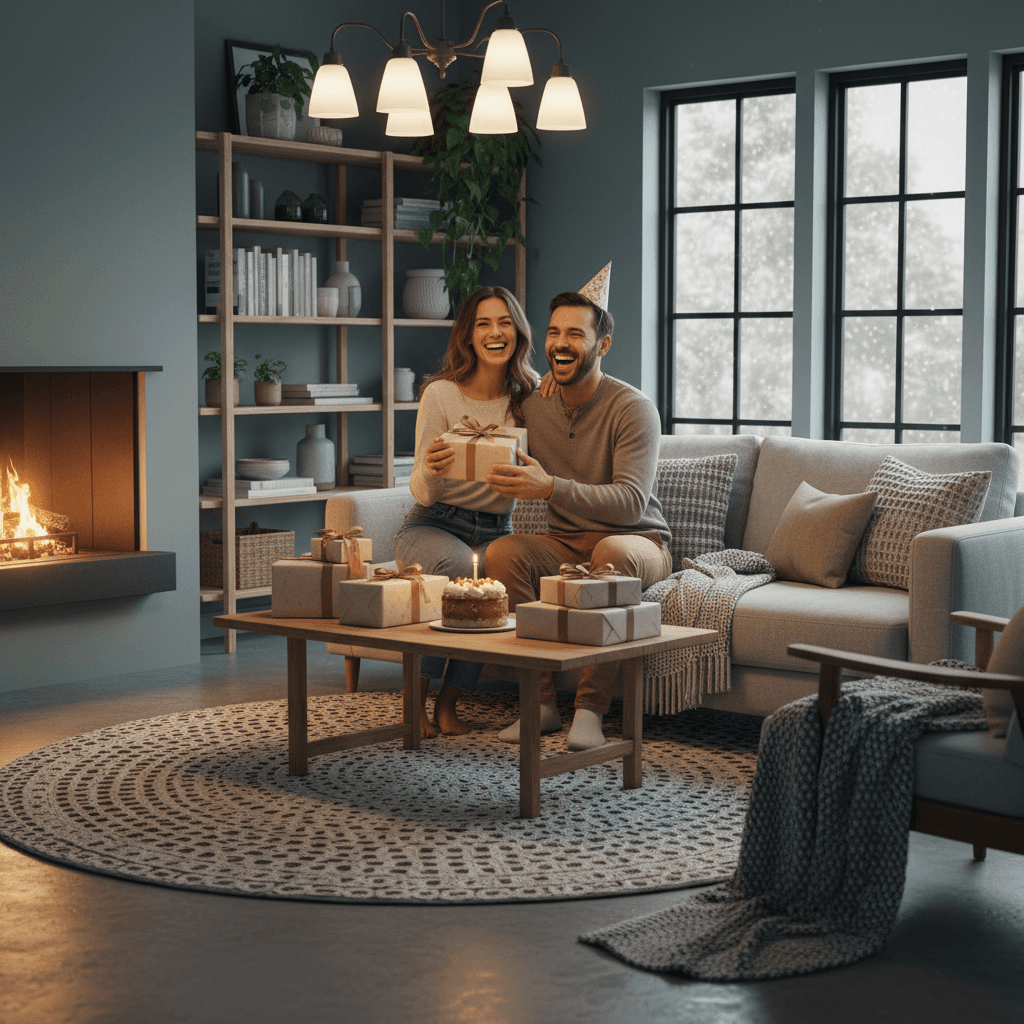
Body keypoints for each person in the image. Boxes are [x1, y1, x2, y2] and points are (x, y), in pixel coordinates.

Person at [483, 284, 672, 751]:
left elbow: (630, 503)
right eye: (553, 333)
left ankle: (590, 711)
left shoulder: (634, 409)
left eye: (575, 334)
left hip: (638, 543)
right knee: (503, 552)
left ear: (602, 345)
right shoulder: (535, 403)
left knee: (611, 550)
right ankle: (540, 704)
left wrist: (550, 487)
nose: (560, 343)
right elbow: (487, 409)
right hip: (565, 544)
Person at [393, 285, 537, 736]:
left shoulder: (530, 396)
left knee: (493, 590)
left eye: (505, 323)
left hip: (496, 528)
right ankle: (413, 700)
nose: (495, 333)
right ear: (468, 336)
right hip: (433, 523)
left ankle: (448, 704)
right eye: (483, 324)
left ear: (518, 332)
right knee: (458, 570)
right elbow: (421, 492)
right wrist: (432, 469)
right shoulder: (440, 394)